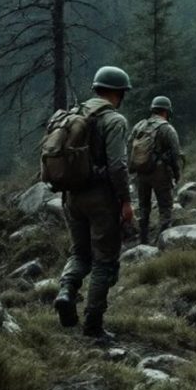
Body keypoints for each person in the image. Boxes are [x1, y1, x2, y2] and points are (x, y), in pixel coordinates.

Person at [54, 65, 134, 339]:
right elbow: (117, 166)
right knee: (104, 261)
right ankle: (93, 326)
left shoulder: (74, 114)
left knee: (79, 254)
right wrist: (125, 201)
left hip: (71, 196)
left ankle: (66, 291)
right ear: (118, 92)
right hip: (101, 200)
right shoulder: (114, 120)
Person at [129, 95, 183, 245]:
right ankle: (163, 242)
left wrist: (132, 169)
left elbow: (130, 146)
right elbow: (175, 153)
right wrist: (177, 173)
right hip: (160, 173)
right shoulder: (167, 128)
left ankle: (143, 241)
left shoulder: (139, 125)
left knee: (143, 208)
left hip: (141, 172)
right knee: (165, 208)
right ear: (167, 111)